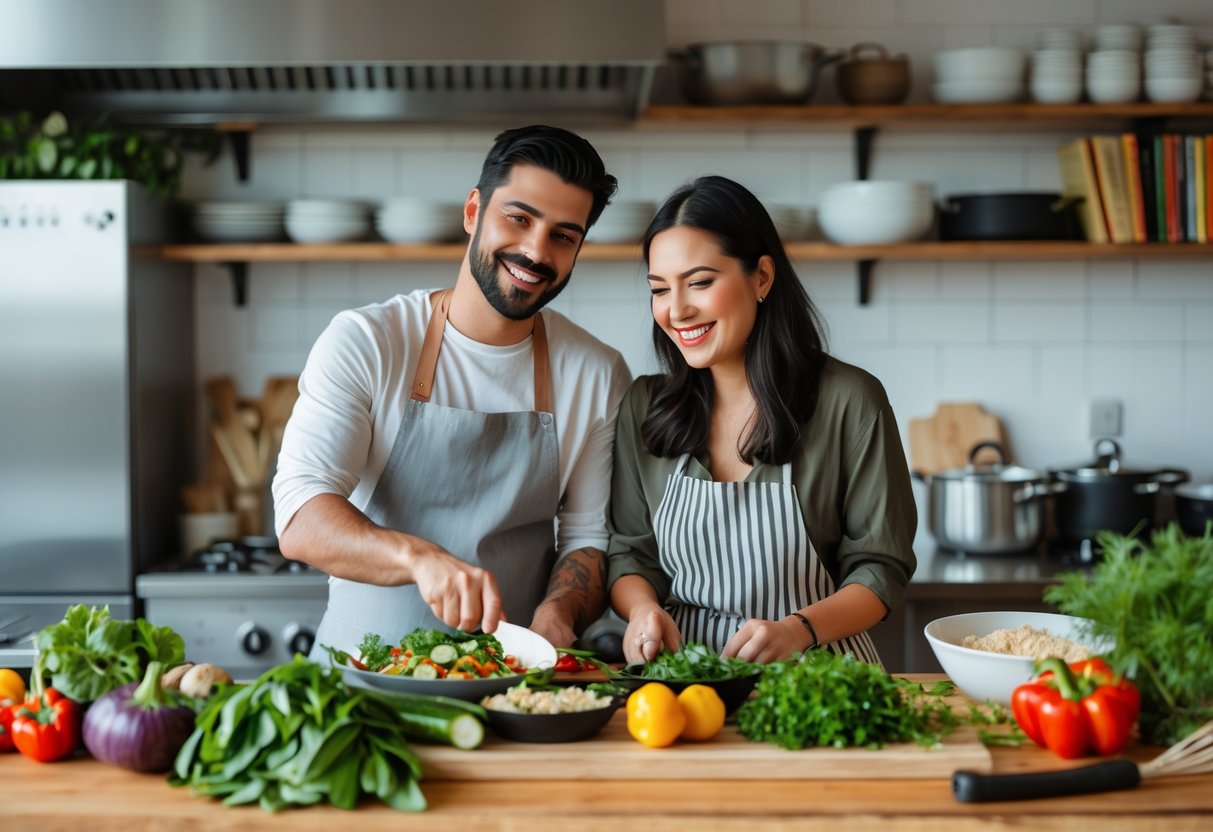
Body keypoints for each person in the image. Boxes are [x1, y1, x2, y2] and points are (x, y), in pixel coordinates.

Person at [272, 125, 632, 658]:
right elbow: (301, 515)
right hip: (361, 684)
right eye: (519, 218)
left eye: (563, 235)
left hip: (510, 683)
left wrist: (560, 610)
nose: (535, 251)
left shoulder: (596, 373)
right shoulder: (368, 341)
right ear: (472, 212)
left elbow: (586, 539)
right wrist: (418, 558)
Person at [606, 175, 916, 667]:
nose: (677, 310)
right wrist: (642, 608)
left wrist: (798, 630)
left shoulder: (849, 400)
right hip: (688, 679)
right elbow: (629, 555)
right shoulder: (646, 405)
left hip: (819, 677)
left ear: (762, 277)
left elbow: (880, 570)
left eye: (701, 282)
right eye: (660, 289)